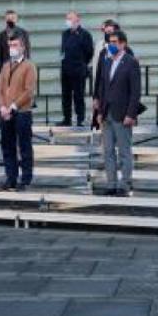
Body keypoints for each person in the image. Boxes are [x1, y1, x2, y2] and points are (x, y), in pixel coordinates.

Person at [94, 30, 141, 196]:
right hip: (107, 114)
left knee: (124, 152)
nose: (111, 45)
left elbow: (135, 92)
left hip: (123, 115)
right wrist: (99, 111)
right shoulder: (107, 61)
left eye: (114, 42)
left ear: (123, 44)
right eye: (110, 42)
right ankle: (111, 184)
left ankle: (125, 185)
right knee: (107, 152)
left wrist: (131, 114)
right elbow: (102, 88)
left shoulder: (131, 62)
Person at [0, 34, 36, 191]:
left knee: (24, 146)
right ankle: (10, 178)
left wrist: (13, 106)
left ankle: (25, 179)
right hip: (5, 113)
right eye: (10, 45)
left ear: (23, 47)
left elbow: (29, 91)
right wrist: (3, 107)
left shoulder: (29, 66)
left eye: (15, 45)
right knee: (7, 146)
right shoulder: (6, 66)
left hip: (22, 112)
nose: (12, 48)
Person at [61, 11, 95, 128]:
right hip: (66, 69)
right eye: (67, 19)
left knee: (78, 96)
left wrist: (82, 63)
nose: (68, 21)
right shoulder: (65, 34)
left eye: (70, 19)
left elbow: (89, 52)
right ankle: (67, 119)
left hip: (78, 69)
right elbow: (63, 50)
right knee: (66, 95)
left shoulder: (85, 34)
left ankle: (80, 119)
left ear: (77, 20)